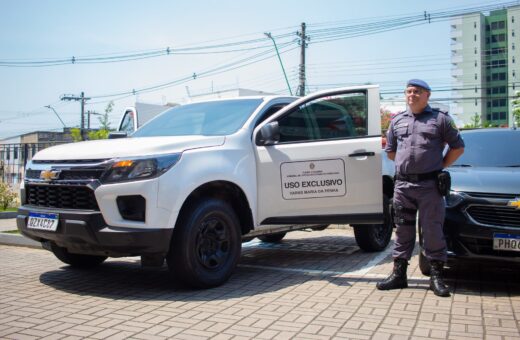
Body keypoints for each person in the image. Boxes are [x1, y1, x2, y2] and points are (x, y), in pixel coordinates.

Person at [377, 79, 465, 297]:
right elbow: (390, 151)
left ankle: (436, 276)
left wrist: (439, 166)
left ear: (427, 95)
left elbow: (458, 147)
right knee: (402, 229)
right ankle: (399, 275)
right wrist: (408, 165)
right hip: (403, 185)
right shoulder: (397, 121)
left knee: (432, 230)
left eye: (417, 91)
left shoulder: (440, 119)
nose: (411, 95)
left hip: (430, 185)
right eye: (408, 91)